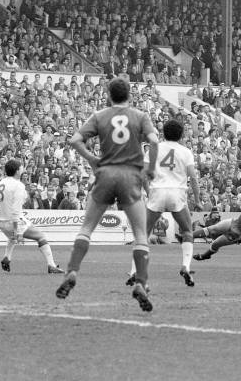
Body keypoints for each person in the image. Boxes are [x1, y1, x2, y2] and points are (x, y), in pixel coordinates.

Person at [55, 77, 159, 313]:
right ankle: (141, 282)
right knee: (141, 233)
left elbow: (75, 140)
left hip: (105, 174)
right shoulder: (140, 116)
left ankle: (72, 270)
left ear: (109, 95)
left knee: (87, 228)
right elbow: (153, 141)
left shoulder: (100, 115)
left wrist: (91, 158)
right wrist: (150, 168)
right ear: (130, 95)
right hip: (130, 176)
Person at [127, 120, 201, 287]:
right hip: (177, 193)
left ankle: (134, 271)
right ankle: (186, 266)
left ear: (163, 133)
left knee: (143, 234)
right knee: (188, 231)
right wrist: (196, 200)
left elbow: (144, 174)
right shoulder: (186, 152)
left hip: (158, 191)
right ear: (181, 135)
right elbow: (194, 178)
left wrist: (148, 191)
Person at [0, 159, 64, 274]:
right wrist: (18, 232)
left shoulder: (0, 184)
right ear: (17, 171)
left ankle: (7, 258)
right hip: (14, 222)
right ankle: (51, 265)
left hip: (1, 223)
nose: (22, 169)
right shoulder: (18, 185)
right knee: (41, 237)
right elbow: (16, 210)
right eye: (21, 167)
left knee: (11, 238)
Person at [192, 187, 241, 261]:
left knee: (215, 243)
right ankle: (188, 236)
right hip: (235, 222)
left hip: (238, 233)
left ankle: (205, 255)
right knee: (213, 228)